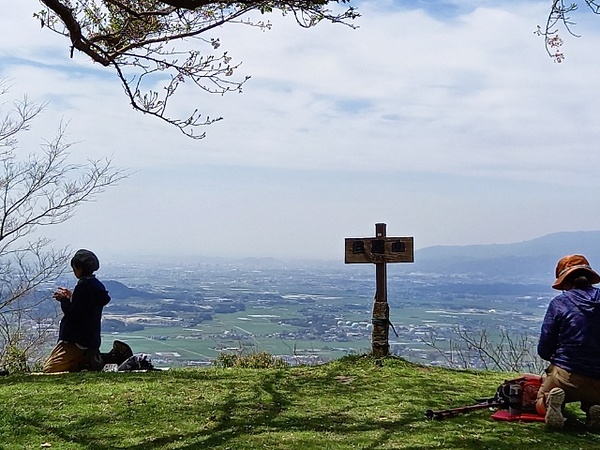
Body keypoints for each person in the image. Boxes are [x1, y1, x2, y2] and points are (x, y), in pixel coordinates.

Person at [536, 254, 600, 429]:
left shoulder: (560, 303)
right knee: (594, 395)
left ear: (565, 282)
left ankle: (550, 401)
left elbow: (544, 349)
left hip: (567, 375)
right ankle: (594, 408)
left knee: (540, 397)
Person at [43, 249, 111, 373]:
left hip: (77, 339)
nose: (74, 271)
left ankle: (86, 364)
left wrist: (63, 300)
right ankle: (88, 362)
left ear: (79, 269)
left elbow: (74, 314)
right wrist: (72, 297)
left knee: (50, 369)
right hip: (90, 337)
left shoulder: (83, 287)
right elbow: (86, 306)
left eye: (74, 268)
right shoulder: (96, 285)